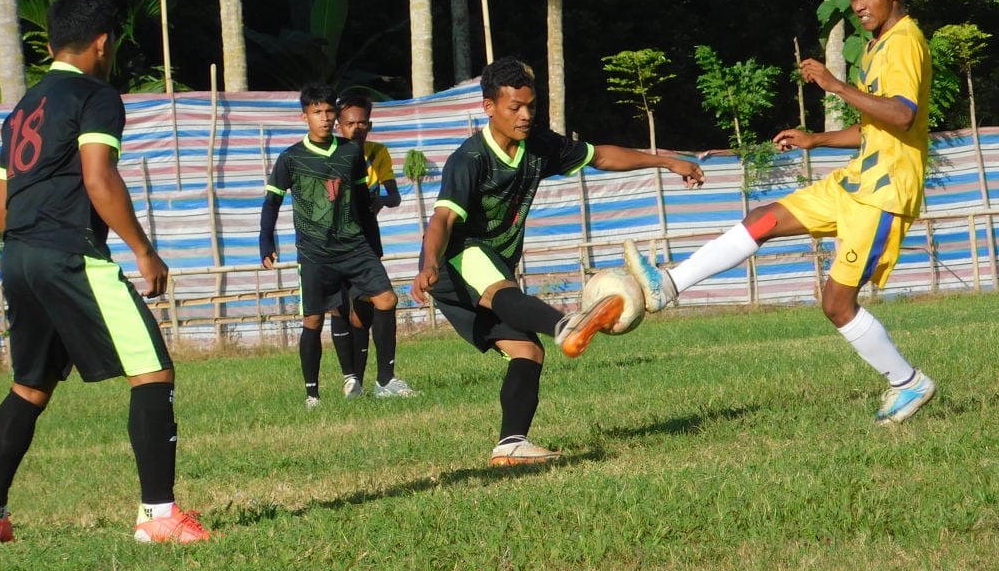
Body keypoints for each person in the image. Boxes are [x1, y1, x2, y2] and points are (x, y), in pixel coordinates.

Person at [624, 0, 937, 425]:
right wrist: (817, 139)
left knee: (836, 304)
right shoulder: (877, 46)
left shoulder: (905, 42)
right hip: (858, 179)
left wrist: (836, 86)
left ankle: (907, 381)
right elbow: (877, 126)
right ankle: (668, 285)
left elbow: (902, 114)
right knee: (764, 218)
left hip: (884, 193)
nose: (857, 5)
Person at [0, 0, 207, 544]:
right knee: (152, 369)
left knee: (30, 386)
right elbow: (99, 180)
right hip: (67, 254)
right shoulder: (95, 96)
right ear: (102, 43)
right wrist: (144, 250)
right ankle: (158, 515)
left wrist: (34, 250)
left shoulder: (21, 110)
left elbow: (0, 208)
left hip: (18, 256)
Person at [411, 57, 704, 465]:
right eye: (515, 107)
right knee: (501, 289)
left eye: (531, 106)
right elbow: (442, 218)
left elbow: (600, 156)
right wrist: (428, 262)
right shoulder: (470, 159)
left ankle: (511, 444)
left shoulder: (538, 146)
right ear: (489, 107)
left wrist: (667, 161)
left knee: (527, 352)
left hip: (490, 268)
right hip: (454, 260)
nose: (525, 115)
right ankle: (566, 325)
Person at [260, 84, 398, 408]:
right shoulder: (291, 158)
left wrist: (372, 244)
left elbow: (362, 200)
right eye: (317, 112)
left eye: (328, 111)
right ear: (304, 116)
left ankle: (385, 381)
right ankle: (312, 395)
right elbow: (271, 202)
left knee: (387, 299)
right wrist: (266, 241)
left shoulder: (350, 152)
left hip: (354, 247)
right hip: (315, 253)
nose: (324, 118)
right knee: (313, 321)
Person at [330, 91, 416, 399]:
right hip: (334, 243)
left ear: (370, 124)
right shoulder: (328, 155)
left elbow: (394, 196)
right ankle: (352, 381)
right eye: (350, 123)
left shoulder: (377, 153)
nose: (357, 128)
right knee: (342, 309)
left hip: (367, 239)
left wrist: (377, 200)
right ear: (339, 125)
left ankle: (384, 380)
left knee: (375, 304)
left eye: (363, 122)